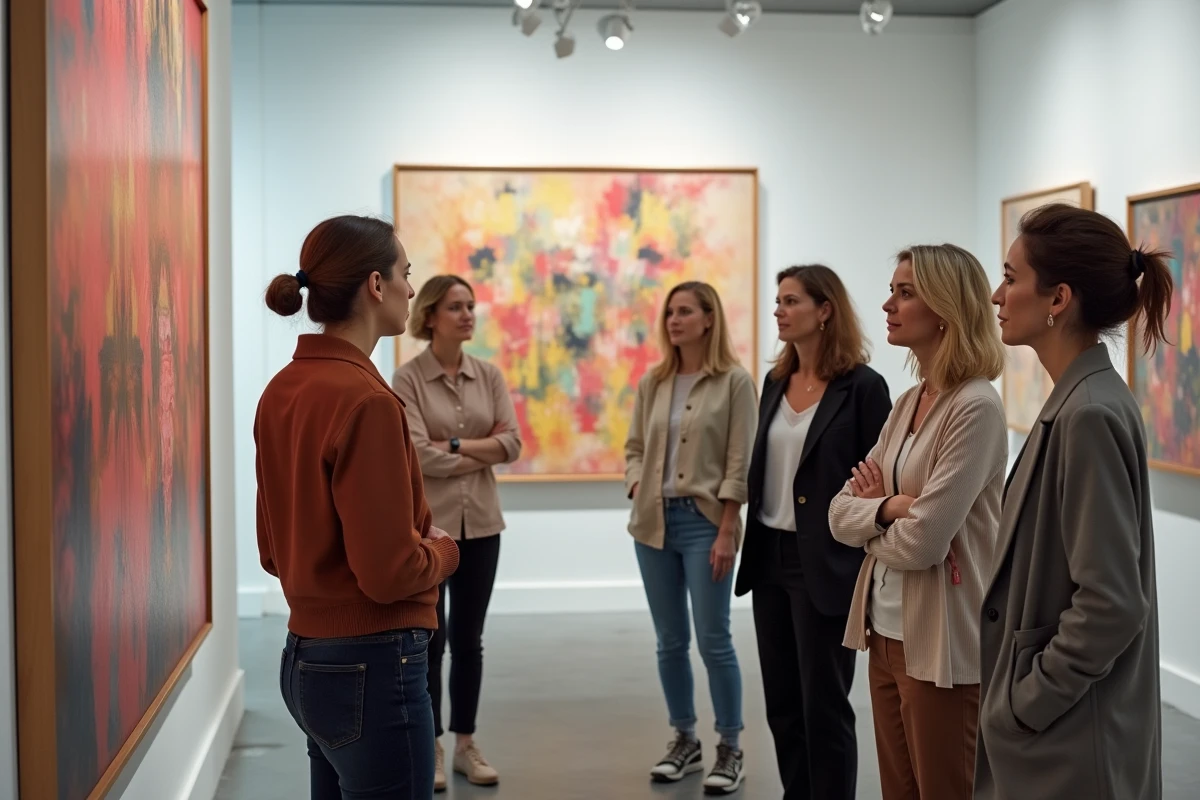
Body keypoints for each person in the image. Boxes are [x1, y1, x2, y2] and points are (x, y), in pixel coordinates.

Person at [255, 215, 460, 799]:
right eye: (406, 273)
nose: (412, 290)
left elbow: (274, 552)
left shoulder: (282, 390)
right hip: (374, 664)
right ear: (376, 285)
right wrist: (442, 551)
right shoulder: (368, 401)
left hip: (306, 662)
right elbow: (389, 571)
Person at [976, 203, 1171, 800]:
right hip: (1067, 736)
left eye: (1010, 278)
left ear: (1058, 298)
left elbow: (1110, 604)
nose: (995, 295)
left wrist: (1024, 704)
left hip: (1072, 744)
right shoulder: (1086, 399)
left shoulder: (1087, 414)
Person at [828, 244, 1007, 800]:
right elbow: (838, 514)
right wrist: (888, 507)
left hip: (939, 642)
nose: (887, 304)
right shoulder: (909, 400)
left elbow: (926, 543)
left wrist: (879, 519)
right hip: (882, 630)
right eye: (893, 290)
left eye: (905, 293)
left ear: (947, 308)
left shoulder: (975, 406)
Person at [734, 265, 891, 800]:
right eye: (778, 300)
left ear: (825, 310)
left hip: (825, 562)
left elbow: (879, 477)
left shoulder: (863, 388)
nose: (779, 309)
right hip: (770, 556)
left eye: (791, 300)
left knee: (823, 704)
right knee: (781, 702)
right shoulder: (775, 383)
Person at [623, 281, 758, 794]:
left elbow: (740, 460)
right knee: (670, 642)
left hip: (706, 525)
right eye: (670, 312)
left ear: (708, 319)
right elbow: (634, 445)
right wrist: (636, 481)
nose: (674, 320)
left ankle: (731, 746)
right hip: (652, 523)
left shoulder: (734, 383)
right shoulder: (654, 382)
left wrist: (728, 527)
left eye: (685, 312)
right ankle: (685, 739)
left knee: (714, 639)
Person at [392, 275, 522, 791]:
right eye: (456, 307)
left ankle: (466, 744)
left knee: (470, 639)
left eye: (471, 306)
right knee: (432, 639)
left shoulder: (488, 375)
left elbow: (511, 444)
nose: (468, 314)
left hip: (484, 526)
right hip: (431, 530)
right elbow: (416, 454)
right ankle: (433, 746)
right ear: (429, 316)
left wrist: (453, 446)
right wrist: (476, 446)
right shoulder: (407, 380)